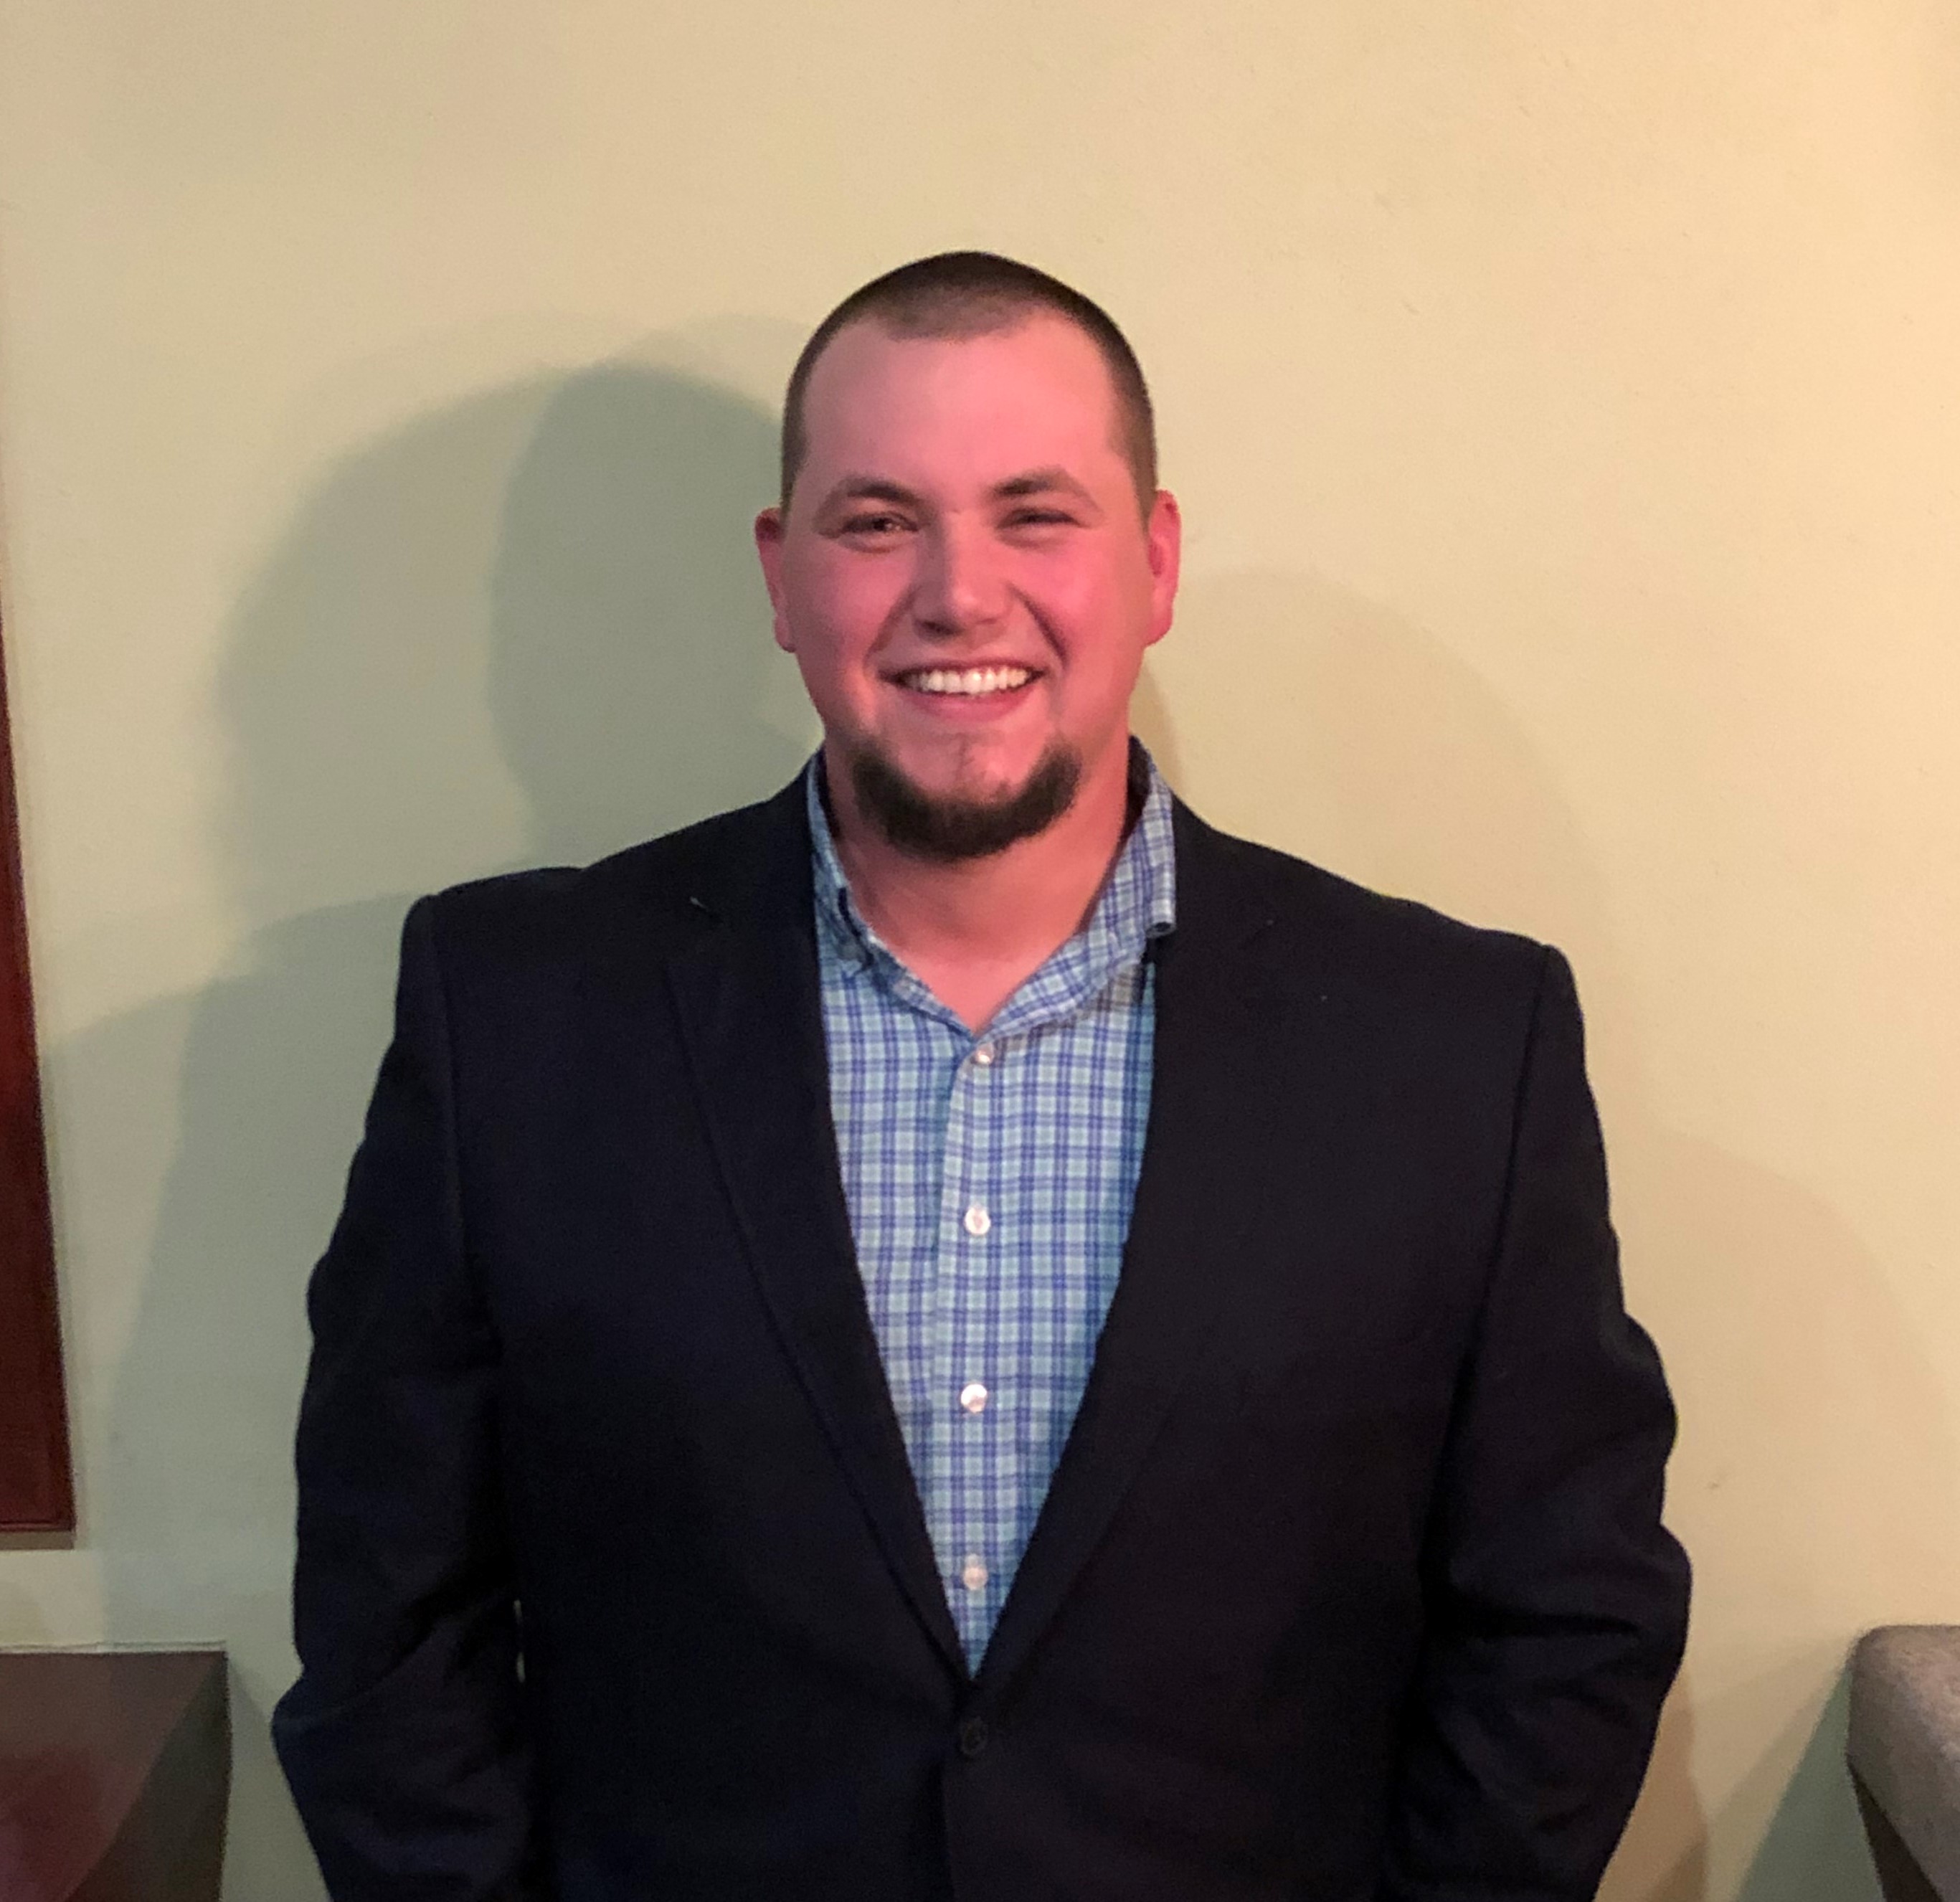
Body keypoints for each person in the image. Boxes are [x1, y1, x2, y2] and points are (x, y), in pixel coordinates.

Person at [273, 250, 1690, 1901]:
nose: (958, 593)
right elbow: (390, 1617)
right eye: (878, 521)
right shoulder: (515, 1018)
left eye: (1036, 514)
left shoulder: (1454, 1043)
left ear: (1153, 563)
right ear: (781, 577)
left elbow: (1564, 1618)